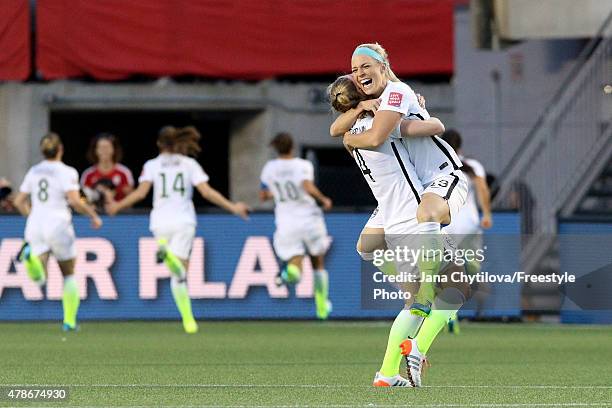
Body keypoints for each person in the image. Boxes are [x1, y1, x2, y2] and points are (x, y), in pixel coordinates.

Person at [106, 126, 250, 334]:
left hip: (159, 222)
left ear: (158, 143)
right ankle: (188, 319)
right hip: (183, 221)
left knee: (176, 272)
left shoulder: (152, 165)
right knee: (180, 275)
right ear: (178, 142)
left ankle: (166, 255)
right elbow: (207, 192)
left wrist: (117, 207)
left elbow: (140, 193)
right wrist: (233, 207)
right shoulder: (189, 164)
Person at [13, 133, 103, 331]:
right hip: (58, 223)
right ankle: (69, 321)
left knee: (39, 278)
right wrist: (93, 215)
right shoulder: (66, 171)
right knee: (69, 273)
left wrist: (31, 217)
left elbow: (19, 201)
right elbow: (74, 201)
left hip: (35, 223)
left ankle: (29, 259)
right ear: (60, 149)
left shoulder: (34, 171)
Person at [259, 132, 333, 320]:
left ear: (276, 148)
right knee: (318, 261)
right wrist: (323, 198)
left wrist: (277, 191)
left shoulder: (269, 168)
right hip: (309, 218)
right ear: (292, 147)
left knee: (295, 264)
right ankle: (321, 305)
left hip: (287, 221)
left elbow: (263, 195)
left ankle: (287, 275)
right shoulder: (303, 165)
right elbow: (306, 185)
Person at [80, 133, 134, 211]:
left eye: (107, 147)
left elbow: (131, 197)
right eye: (101, 147)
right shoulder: (88, 174)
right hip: (95, 218)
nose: (104, 151)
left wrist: (118, 205)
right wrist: (88, 206)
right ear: (95, 150)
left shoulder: (124, 172)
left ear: (114, 149)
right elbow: (80, 198)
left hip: (121, 218)